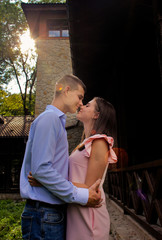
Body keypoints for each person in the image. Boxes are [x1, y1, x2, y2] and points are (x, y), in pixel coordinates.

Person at [20, 74, 102, 240]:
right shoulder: (50, 119)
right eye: (80, 97)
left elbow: (45, 172)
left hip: (48, 213)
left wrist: (43, 180)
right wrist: (82, 196)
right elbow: (41, 170)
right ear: (66, 90)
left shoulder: (57, 123)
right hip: (43, 213)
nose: (80, 104)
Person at [29, 97, 118, 240]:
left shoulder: (100, 141)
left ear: (96, 115)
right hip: (75, 211)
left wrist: (46, 182)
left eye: (88, 105)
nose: (81, 106)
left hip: (89, 217)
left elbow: (90, 188)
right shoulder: (84, 143)